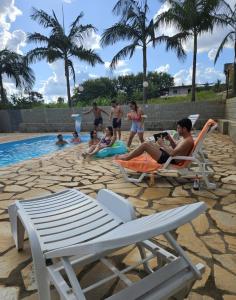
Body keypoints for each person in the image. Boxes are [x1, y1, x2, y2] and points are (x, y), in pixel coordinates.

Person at [116, 118, 194, 164]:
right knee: (148, 143)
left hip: (169, 160)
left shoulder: (188, 141)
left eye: (178, 128)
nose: (177, 130)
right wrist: (170, 140)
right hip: (169, 156)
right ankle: (128, 155)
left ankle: (127, 158)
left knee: (145, 145)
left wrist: (162, 143)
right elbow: (176, 149)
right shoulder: (186, 138)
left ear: (184, 129)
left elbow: (173, 153)